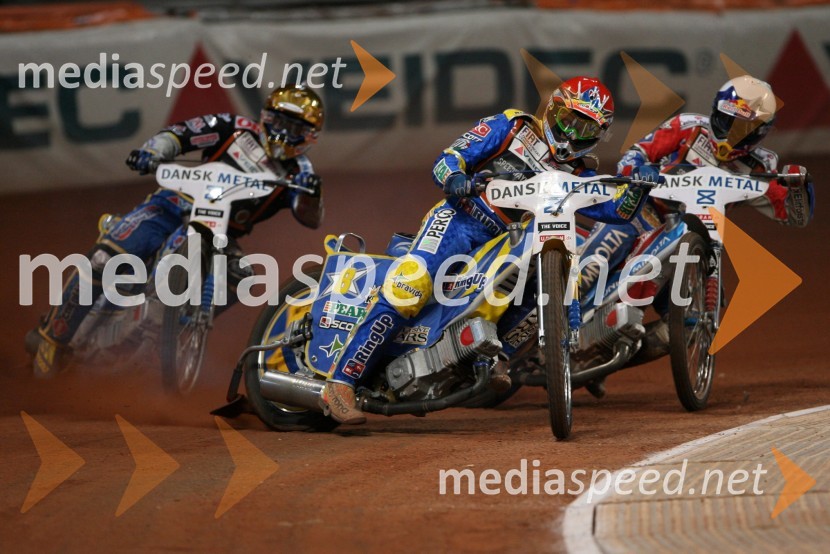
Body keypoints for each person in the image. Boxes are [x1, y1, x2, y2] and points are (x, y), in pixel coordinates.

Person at [318, 76, 660, 424]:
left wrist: (640, 188)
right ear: (553, 109)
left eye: (585, 129)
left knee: (536, 294)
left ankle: (495, 356)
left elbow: (617, 211)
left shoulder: (578, 175)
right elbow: (448, 158)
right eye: (569, 120)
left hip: (511, 238)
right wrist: (455, 178)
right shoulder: (512, 127)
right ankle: (342, 381)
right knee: (411, 283)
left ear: (598, 136)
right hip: (462, 219)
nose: (572, 134)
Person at [29, 84, 325, 377]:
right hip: (171, 205)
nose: (284, 133)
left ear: (310, 136)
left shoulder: (302, 173)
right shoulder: (234, 128)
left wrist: (310, 194)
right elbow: (180, 135)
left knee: (242, 277)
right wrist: (151, 152)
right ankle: (52, 337)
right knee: (104, 259)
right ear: (266, 116)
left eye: (295, 128)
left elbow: (310, 216)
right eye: (280, 122)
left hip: (220, 234)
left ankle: (178, 326)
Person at [579, 75, 815, 382]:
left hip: (693, 244)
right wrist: (640, 171)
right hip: (640, 214)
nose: (733, 135)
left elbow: (793, 214)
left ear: (760, 133)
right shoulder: (687, 126)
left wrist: (799, 186)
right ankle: (556, 317)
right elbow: (635, 156)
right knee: (595, 264)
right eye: (729, 122)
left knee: (690, 323)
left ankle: (597, 358)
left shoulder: (763, 165)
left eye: (745, 130)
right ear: (716, 112)